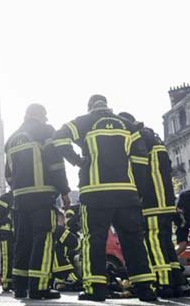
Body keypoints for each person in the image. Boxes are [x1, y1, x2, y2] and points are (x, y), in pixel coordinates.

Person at [50, 95, 156, 302]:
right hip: (126, 192)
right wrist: (138, 190)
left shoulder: (84, 122)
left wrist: (78, 161)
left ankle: (96, 289)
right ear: (107, 105)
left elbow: (59, 137)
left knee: (94, 240)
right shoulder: (128, 126)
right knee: (133, 240)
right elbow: (140, 158)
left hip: (95, 192)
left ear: (90, 107)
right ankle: (144, 288)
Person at [119, 112, 190, 298]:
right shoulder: (154, 138)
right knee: (166, 243)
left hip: (152, 201)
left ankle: (164, 283)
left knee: (153, 242)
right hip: (166, 200)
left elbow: (138, 167)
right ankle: (178, 281)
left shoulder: (138, 138)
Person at [5, 104, 70, 300]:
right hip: (42, 196)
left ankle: (19, 287)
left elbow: (8, 174)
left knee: (22, 242)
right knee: (43, 239)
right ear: (39, 115)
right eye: (45, 115)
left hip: (20, 199)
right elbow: (55, 163)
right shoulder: (45, 131)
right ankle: (39, 288)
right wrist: (64, 192)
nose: (46, 119)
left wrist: (18, 189)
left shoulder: (11, 139)